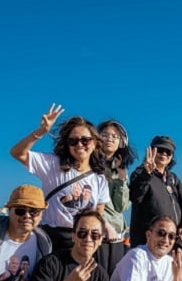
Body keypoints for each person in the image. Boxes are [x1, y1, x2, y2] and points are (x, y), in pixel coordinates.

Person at [10, 104, 114, 251]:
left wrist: (104, 229)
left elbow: (98, 213)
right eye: (73, 141)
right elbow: (17, 153)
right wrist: (40, 132)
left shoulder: (99, 178)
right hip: (50, 237)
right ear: (67, 144)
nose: (79, 145)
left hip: (81, 239)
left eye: (85, 140)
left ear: (95, 143)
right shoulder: (53, 164)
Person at [128, 136, 182, 247]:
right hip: (147, 243)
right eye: (160, 150)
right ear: (151, 151)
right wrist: (146, 174)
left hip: (171, 243)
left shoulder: (173, 178)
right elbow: (135, 197)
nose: (164, 154)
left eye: (168, 152)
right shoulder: (140, 173)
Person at [96, 119, 136, 275]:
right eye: (105, 135)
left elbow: (122, 206)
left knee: (114, 278)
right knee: (97, 276)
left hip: (117, 233)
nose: (110, 139)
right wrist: (104, 225)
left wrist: (121, 179)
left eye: (115, 136)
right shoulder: (90, 164)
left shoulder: (120, 168)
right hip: (97, 230)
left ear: (121, 142)